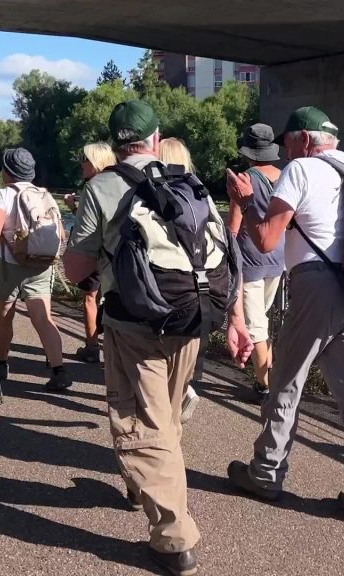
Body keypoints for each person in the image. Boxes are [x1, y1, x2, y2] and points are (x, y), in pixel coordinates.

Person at [64, 100, 252, 576]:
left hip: (136, 322)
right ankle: (141, 483)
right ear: (155, 137)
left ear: (113, 144)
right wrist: (237, 320)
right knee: (165, 416)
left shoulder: (102, 187)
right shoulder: (189, 183)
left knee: (141, 422)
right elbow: (226, 253)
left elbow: (76, 268)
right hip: (193, 314)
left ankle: (174, 539)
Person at [224, 106, 344, 528]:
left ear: (302, 139)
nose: (282, 149)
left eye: (286, 141)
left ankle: (266, 474)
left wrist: (245, 201)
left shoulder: (300, 169)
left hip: (318, 286)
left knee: (286, 381)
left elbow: (265, 241)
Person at [0, 148, 71, 392]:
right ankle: (59, 370)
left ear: (7, 171)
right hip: (41, 262)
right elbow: (62, 232)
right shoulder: (43, 194)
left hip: (8, 265)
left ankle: (1, 364)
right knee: (43, 317)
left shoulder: (2, 194)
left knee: (4, 315)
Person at [227, 124, 284, 402]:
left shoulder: (244, 179)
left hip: (250, 260)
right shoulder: (285, 176)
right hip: (278, 258)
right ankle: (268, 373)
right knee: (263, 320)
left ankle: (264, 387)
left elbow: (234, 226)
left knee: (255, 327)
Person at [157, 137, 202, 422]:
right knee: (180, 372)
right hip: (199, 298)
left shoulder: (154, 196)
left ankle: (163, 447)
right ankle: (184, 392)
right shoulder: (200, 196)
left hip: (164, 297)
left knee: (156, 379)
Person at [64, 142, 117, 364]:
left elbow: (89, 226)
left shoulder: (93, 187)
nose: (81, 164)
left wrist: (73, 207)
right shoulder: (119, 183)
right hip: (115, 252)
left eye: (85, 159)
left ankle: (92, 346)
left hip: (95, 251)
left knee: (89, 297)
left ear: (95, 162)